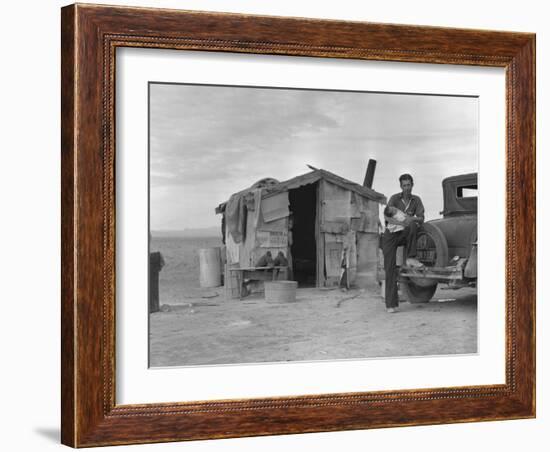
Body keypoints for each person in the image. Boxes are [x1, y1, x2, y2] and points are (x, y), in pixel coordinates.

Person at [382, 173, 425, 313]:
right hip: (390, 236)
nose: (407, 188)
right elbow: (387, 218)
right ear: (401, 186)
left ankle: (411, 257)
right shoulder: (394, 199)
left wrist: (409, 219)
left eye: (409, 185)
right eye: (404, 185)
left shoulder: (416, 200)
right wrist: (404, 220)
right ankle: (391, 305)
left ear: (412, 185)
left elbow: (421, 218)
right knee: (390, 269)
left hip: (404, 234)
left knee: (412, 225)